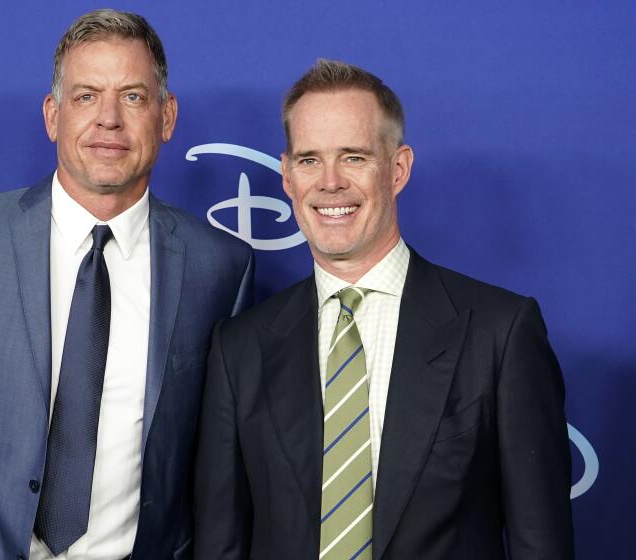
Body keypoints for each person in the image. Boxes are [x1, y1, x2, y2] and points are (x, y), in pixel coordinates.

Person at [0, 9, 253, 560]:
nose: (109, 120)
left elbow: (221, 469)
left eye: (133, 97)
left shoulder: (221, 266)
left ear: (167, 118)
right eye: (85, 96)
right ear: (53, 115)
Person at [194, 59, 573, 559]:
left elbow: (539, 542)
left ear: (397, 169)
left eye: (353, 157)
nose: (330, 183)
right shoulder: (239, 349)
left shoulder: (500, 332)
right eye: (309, 160)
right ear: (286, 177)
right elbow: (220, 545)